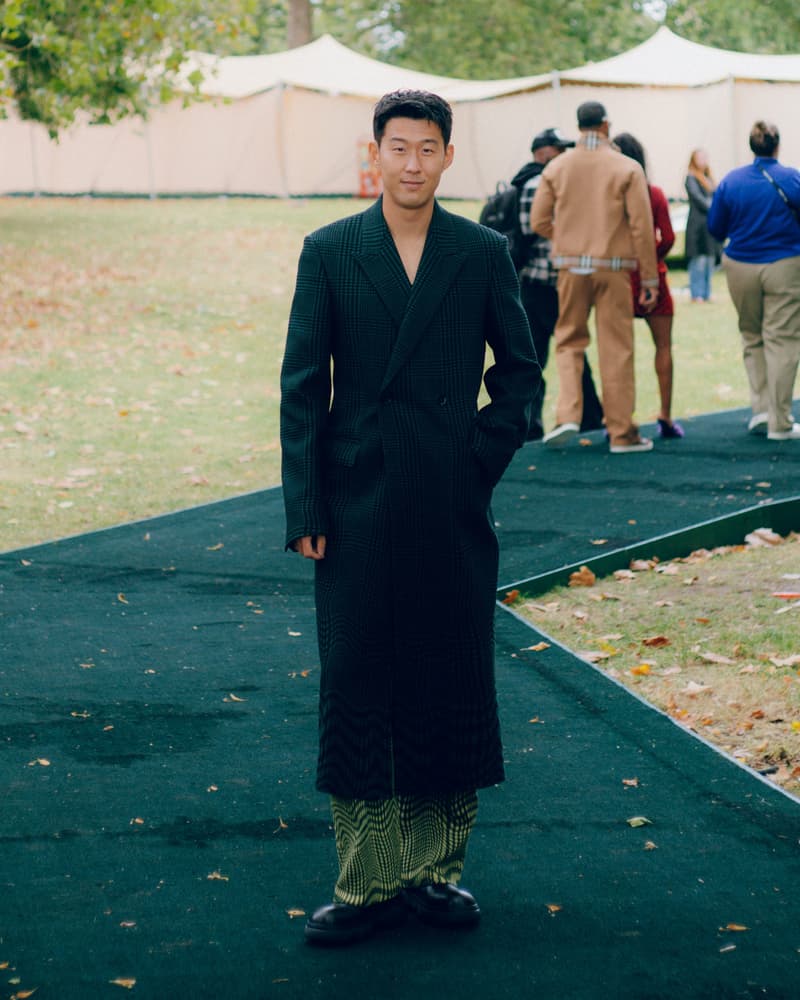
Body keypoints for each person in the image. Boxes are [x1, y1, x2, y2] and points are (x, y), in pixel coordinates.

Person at [280, 89, 540, 947]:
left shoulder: (480, 252)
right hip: (354, 501)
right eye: (399, 148)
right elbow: (300, 389)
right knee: (356, 683)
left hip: (448, 501)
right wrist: (307, 504)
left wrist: (477, 462)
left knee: (446, 678)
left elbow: (519, 375)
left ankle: (434, 872)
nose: (413, 163)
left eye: (428, 148)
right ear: (377, 154)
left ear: (448, 157)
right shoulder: (330, 251)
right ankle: (367, 883)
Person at [529, 100, 659, 453]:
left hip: (570, 268)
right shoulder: (627, 167)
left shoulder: (557, 167)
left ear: (579, 125)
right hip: (613, 268)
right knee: (616, 348)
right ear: (605, 125)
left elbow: (538, 221)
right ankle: (621, 433)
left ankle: (568, 414)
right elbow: (642, 228)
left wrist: (567, 240)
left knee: (569, 342)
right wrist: (649, 280)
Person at [707, 120, 800, 441]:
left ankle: (760, 410)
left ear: (751, 146)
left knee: (751, 335)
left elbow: (716, 227)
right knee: (783, 339)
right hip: (785, 264)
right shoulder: (792, 178)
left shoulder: (731, 181)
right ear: (777, 145)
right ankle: (780, 421)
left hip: (740, 265)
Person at [516, 127, 604, 440]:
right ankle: (589, 418)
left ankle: (535, 426)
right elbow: (534, 228)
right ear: (543, 154)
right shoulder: (537, 184)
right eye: (559, 149)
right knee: (560, 353)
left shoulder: (548, 180)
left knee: (541, 357)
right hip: (545, 284)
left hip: (542, 284)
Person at [613, 132, 684, 439]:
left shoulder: (610, 194)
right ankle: (666, 417)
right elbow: (667, 237)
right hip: (651, 275)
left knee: (617, 351)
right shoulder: (653, 193)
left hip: (619, 278)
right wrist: (650, 259)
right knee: (664, 347)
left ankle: (617, 419)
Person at [685, 149, 719, 302]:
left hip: (709, 226)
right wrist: (714, 207)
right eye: (700, 157)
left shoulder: (709, 179)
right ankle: (696, 293)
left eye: (705, 157)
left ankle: (706, 292)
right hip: (697, 226)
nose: (703, 160)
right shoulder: (691, 178)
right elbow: (698, 199)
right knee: (698, 261)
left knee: (709, 261)